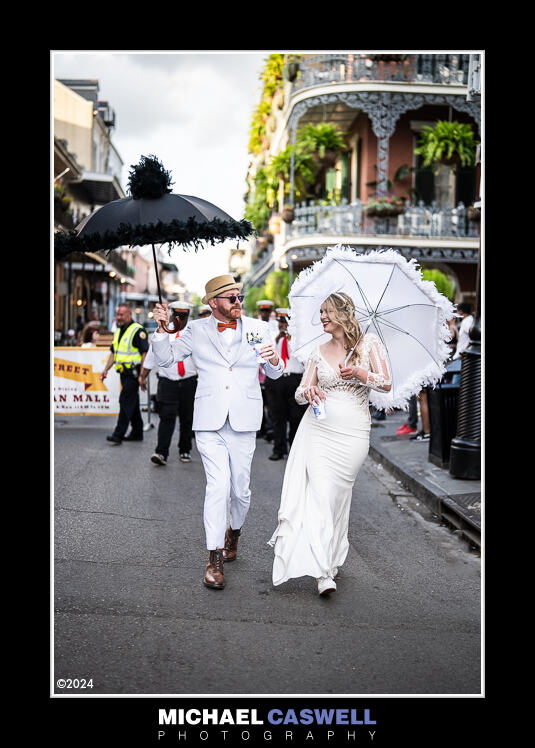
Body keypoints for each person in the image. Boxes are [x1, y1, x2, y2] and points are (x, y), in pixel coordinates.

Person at [151, 274, 284, 590]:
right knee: (218, 486)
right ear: (213, 303)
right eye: (231, 298)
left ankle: (233, 533)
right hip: (209, 421)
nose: (239, 302)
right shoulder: (195, 330)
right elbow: (166, 359)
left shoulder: (257, 328)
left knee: (240, 489)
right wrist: (160, 329)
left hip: (244, 420)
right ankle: (214, 559)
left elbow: (275, 373)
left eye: (240, 297)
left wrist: (276, 359)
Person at [268, 292, 392, 597]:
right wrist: (309, 394)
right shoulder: (317, 352)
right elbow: (300, 391)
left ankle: (334, 554)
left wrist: (363, 374)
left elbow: (387, 382)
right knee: (321, 496)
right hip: (319, 431)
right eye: (321, 312)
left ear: (342, 314)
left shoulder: (369, 344)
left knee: (338, 497)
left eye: (326, 311)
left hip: (354, 434)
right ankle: (323, 571)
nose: (322, 316)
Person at [140, 301, 198, 466]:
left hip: (189, 382)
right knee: (166, 417)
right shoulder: (163, 331)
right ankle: (161, 452)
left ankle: (185, 450)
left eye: (183, 316)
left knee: (187, 418)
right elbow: (152, 355)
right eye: (177, 315)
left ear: (188, 316)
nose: (180, 319)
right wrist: (143, 376)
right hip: (168, 382)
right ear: (172, 314)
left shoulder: (194, 333)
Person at [100, 304, 149, 444]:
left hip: (134, 374)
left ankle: (118, 434)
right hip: (124, 373)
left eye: (122, 315)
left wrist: (142, 376)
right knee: (132, 402)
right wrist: (105, 370)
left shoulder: (138, 330)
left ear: (129, 315)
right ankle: (137, 432)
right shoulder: (119, 331)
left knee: (125, 400)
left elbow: (144, 353)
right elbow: (113, 354)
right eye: (118, 314)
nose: (119, 317)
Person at [267, 308, 307, 461]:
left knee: (296, 417)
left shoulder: (299, 339)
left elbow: (304, 357)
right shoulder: (273, 336)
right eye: (281, 321)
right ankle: (278, 449)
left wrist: (292, 338)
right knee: (278, 417)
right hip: (277, 380)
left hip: (294, 380)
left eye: (285, 322)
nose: (283, 325)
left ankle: (294, 450)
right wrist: (278, 338)